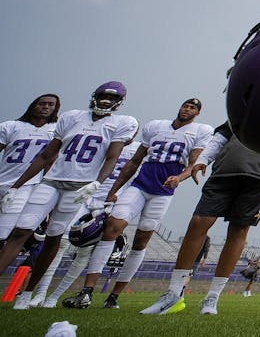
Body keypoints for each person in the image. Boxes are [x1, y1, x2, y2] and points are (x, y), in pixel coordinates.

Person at [62, 97, 212, 310]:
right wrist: (114, 191)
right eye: (185, 105)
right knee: (112, 228)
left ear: (197, 114)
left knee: (141, 241)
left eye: (192, 108)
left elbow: (193, 164)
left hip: (162, 192)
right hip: (140, 185)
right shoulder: (156, 127)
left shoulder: (199, 131)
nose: (187, 109)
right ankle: (87, 291)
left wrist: (180, 177)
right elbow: (134, 161)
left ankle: (114, 296)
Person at [0, 81, 137, 309]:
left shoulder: (121, 123)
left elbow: (112, 157)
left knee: (54, 237)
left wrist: (97, 182)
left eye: (112, 98)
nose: (106, 101)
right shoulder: (72, 117)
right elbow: (46, 156)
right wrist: (16, 186)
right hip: (51, 181)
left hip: (79, 187)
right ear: (95, 96)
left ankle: (27, 294)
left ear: (119, 102)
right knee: (21, 231)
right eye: (103, 96)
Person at [140, 122, 260, 316]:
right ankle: (173, 293)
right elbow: (221, 137)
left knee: (239, 230)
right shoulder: (248, 106)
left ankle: (213, 295)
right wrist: (202, 160)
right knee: (198, 222)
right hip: (225, 171)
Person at [0, 94, 60, 241]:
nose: (46, 107)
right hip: (3, 177)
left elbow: (50, 161)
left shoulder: (56, 130)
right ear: (33, 105)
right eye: (42, 103)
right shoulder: (10, 126)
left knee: (3, 232)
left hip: (26, 185)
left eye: (51, 104)